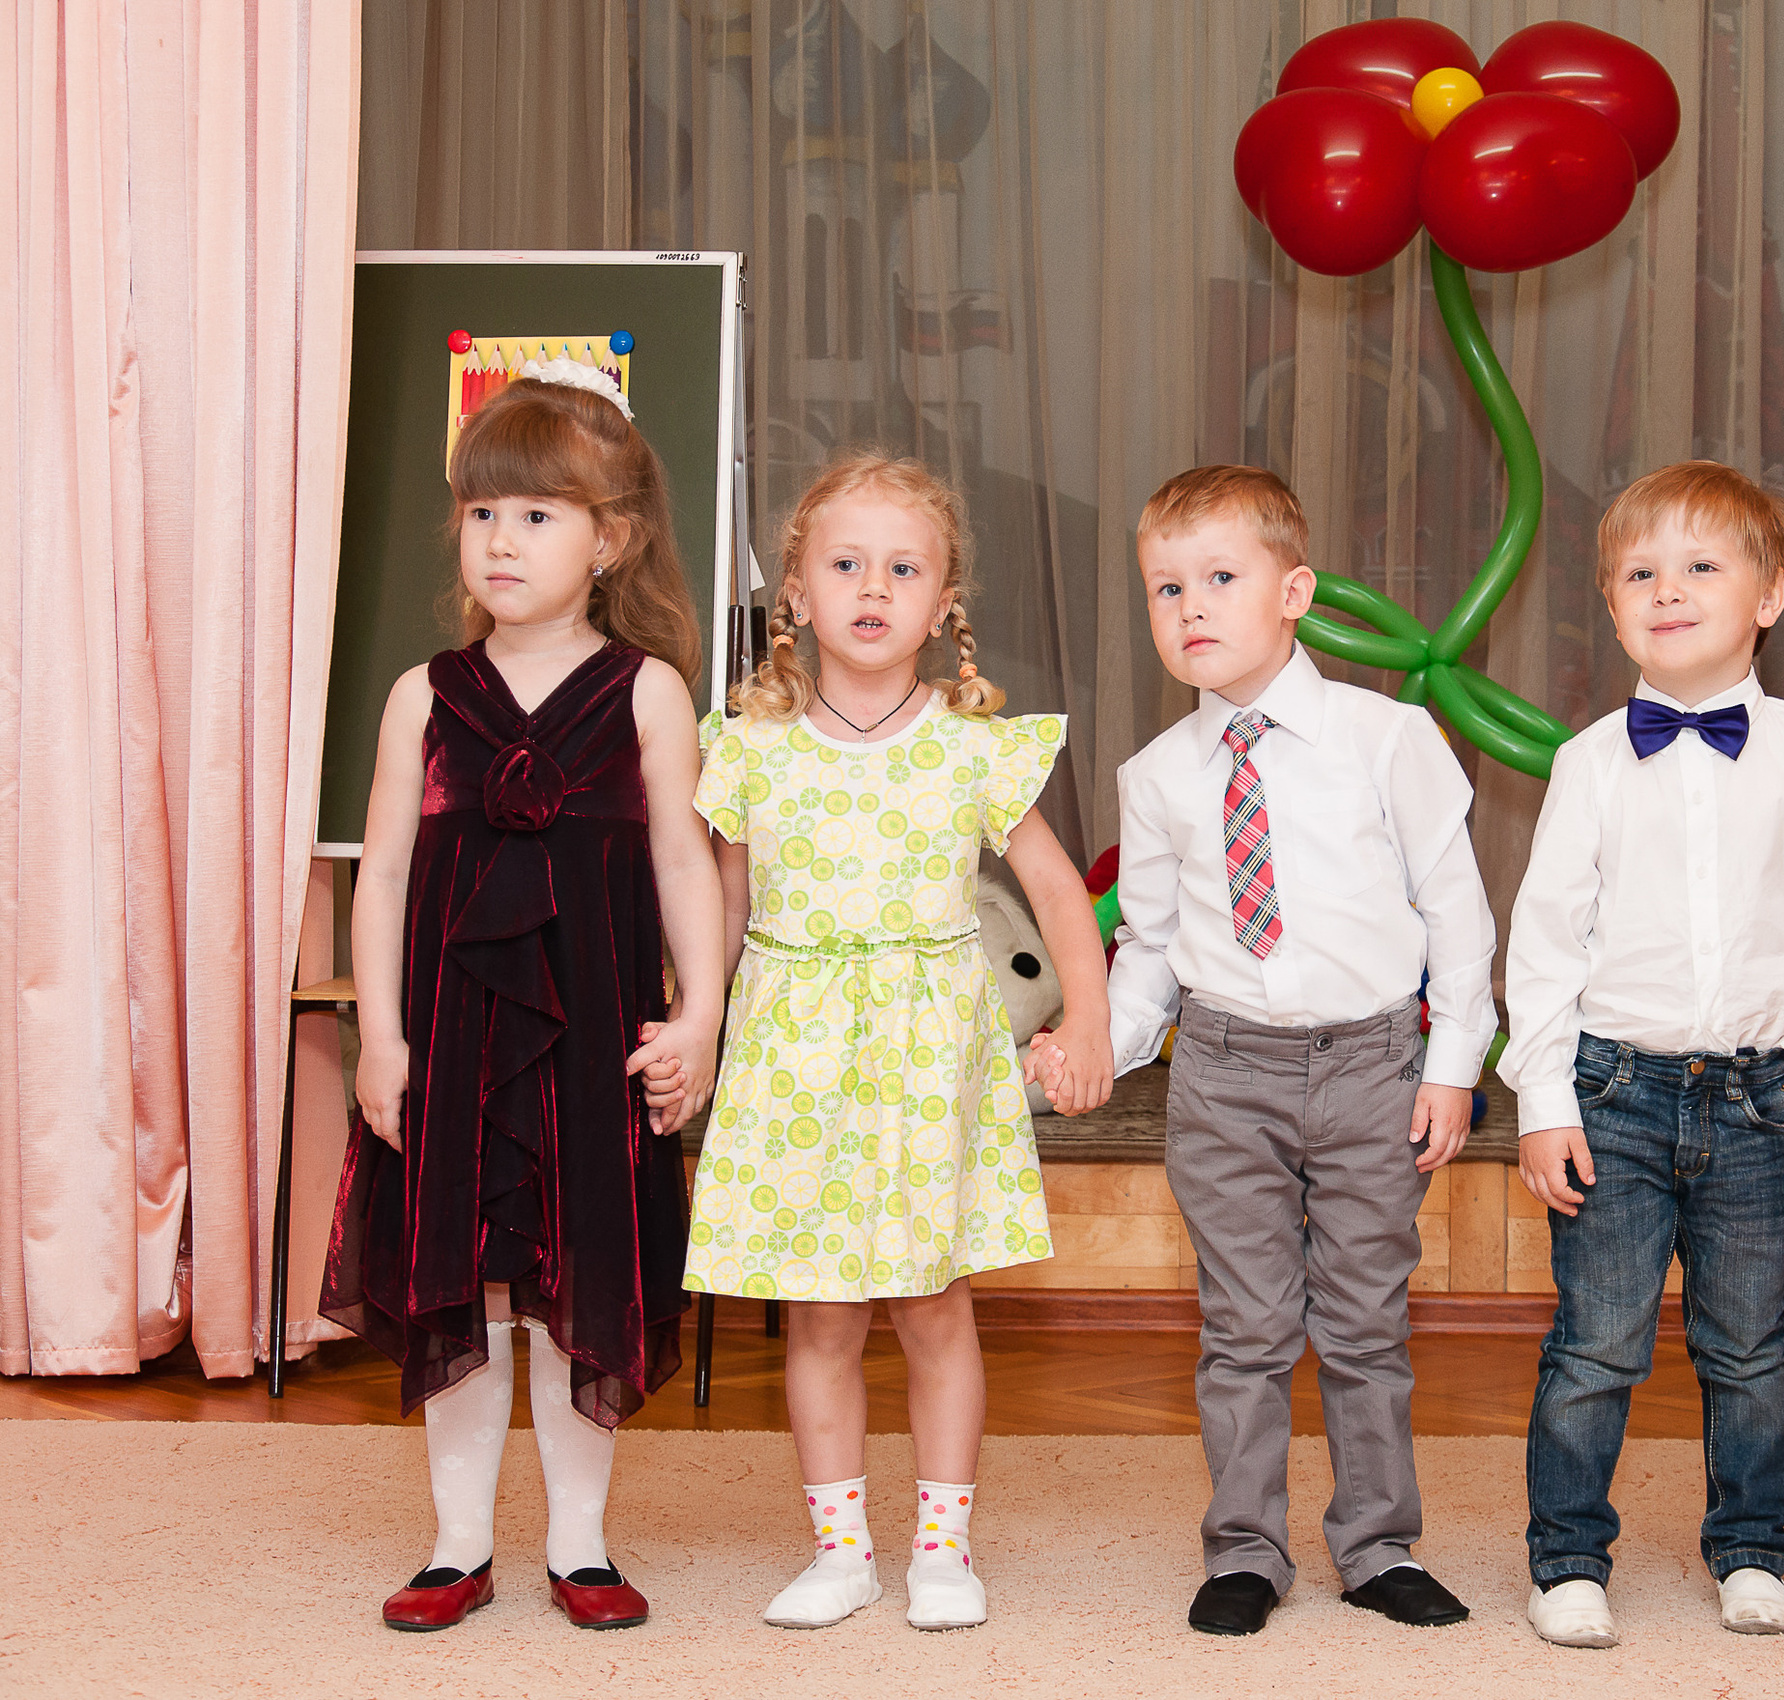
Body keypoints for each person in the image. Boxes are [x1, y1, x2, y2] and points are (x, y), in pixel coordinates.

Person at [322, 368, 726, 1631]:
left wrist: (702, 1011)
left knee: (576, 1285)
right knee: (460, 1283)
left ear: (609, 539)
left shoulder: (647, 691)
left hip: (597, 1040)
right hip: (448, 1040)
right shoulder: (422, 696)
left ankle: (580, 1544)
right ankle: (455, 1544)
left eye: (539, 515)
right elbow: (381, 870)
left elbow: (682, 862)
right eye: (483, 511)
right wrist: (379, 1040)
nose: (503, 537)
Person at [686, 451, 1110, 1633]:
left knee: (932, 1302)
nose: (874, 586)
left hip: (929, 1054)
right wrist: (696, 1027)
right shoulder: (752, 746)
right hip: (793, 1048)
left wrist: (1088, 1016)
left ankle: (940, 1545)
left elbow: (1059, 890)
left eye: (904, 566)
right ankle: (839, 1549)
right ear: (798, 593)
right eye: (846, 562)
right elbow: (720, 908)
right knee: (819, 1313)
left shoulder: (972, 745)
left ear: (942, 602)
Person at [1503, 460, 1784, 1648]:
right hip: (1614, 1090)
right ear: (1613, 606)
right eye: (1639, 572)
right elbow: (1543, 942)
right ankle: (1568, 1555)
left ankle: (1748, 1547)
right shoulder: (1585, 763)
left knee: (1748, 1341)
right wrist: (1539, 1097)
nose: (1666, 590)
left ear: (1769, 593)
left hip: (1762, 1096)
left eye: (1700, 566)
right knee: (1597, 1339)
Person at [1108, 465, 1497, 1638]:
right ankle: (1245, 1549)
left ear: (1294, 590)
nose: (1191, 607)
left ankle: (1378, 1543)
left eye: (1220, 578)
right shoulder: (1159, 776)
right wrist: (1100, 1047)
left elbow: (1457, 911)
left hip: (1373, 1062)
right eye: (1166, 587)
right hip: (1225, 1072)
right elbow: (1150, 946)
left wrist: (1452, 1063)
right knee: (1243, 1324)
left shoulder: (1389, 738)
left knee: (1367, 1318)